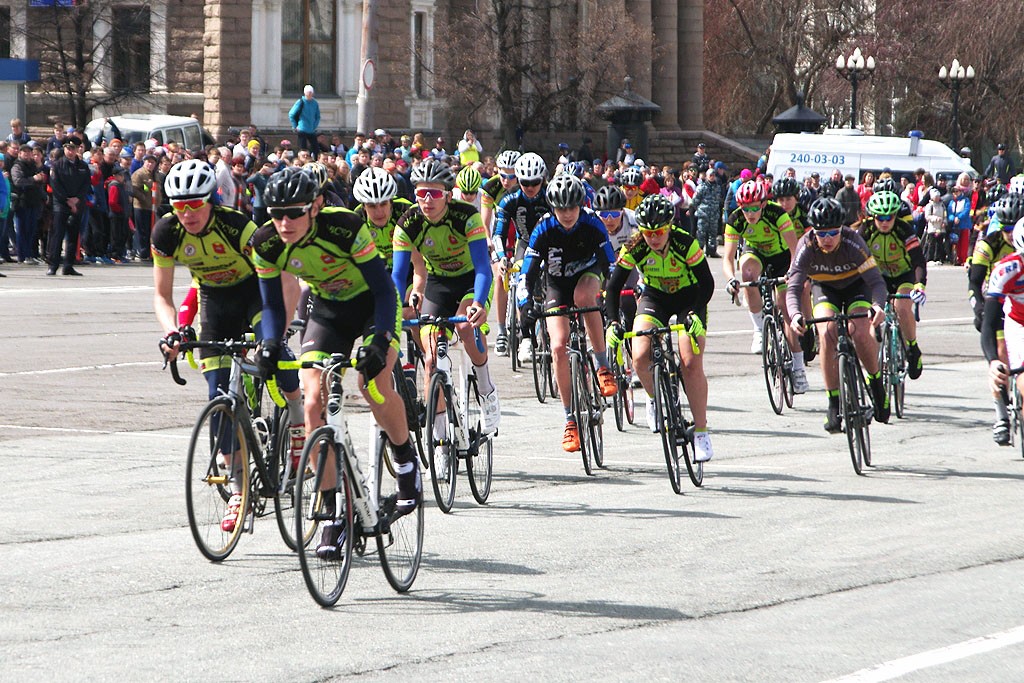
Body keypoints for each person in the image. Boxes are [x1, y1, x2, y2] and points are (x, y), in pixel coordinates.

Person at [251, 167, 419, 557]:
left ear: (316, 206)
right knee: (312, 402)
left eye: (294, 213)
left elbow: (382, 289)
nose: (284, 222)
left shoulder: (344, 226)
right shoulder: (266, 242)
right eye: (276, 213)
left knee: (372, 384)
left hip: (372, 305)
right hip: (327, 311)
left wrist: (379, 340)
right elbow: (273, 304)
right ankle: (331, 512)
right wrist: (271, 343)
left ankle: (405, 458)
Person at [153, 160, 304, 534]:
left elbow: (283, 281)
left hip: (256, 295)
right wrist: (173, 331)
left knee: (278, 357)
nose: (186, 213)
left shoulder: (238, 227)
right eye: (178, 206)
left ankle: (299, 424)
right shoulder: (166, 233)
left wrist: (276, 333)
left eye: (194, 205)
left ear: (212, 200)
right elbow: (161, 295)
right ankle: (239, 492)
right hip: (215, 303)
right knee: (217, 396)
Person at [391, 158, 501, 437]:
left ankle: (486, 389)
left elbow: (482, 267)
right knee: (430, 360)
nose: (427, 200)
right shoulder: (408, 223)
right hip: (438, 282)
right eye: (420, 193)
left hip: (470, 280)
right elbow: (398, 275)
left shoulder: (466, 216)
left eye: (435, 193)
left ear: (448, 196)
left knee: (464, 326)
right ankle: (439, 436)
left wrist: (477, 303)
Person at [604, 194, 715, 461]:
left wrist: (692, 314)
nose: (654, 238)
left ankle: (701, 431)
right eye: (648, 232)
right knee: (639, 354)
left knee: (690, 363)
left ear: (669, 227)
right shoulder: (634, 246)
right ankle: (654, 397)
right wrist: (613, 322)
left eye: (659, 232)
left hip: (690, 298)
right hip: (655, 298)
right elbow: (613, 287)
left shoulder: (684, 242)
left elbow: (707, 283)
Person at [516, 173, 616, 452]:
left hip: (587, 274)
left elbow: (610, 264)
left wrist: (611, 295)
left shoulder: (592, 223)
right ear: (552, 208)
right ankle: (570, 419)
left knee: (584, 297)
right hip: (557, 283)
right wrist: (525, 302)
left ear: (580, 205)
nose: (567, 214)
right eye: (561, 209)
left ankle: (602, 365)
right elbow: (527, 272)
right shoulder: (543, 228)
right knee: (559, 346)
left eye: (572, 207)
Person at [787, 197, 889, 432]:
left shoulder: (854, 243)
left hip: (857, 288)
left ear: (841, 229)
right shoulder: (806, 246)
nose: (828, 239)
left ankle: (876, 384)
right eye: (822, 234)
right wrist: (794, 315)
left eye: (833, 233)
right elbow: (793, 287)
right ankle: (834, 402)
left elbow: (876, 282)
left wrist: (878, 306)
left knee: (860, 332)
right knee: (827, 334)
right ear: (814, 231)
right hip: (826, 290)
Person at [722, 180, 804, 396]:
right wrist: (731, 279)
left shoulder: (777, 214)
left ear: (763, 204)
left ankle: (798, 366)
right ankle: (759, 329)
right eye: (745, 208)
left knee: (786, 310)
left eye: (754, 208)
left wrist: (792, 274)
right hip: (755, 253)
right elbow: (728, 257)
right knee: (748, 275)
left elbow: (795, 250)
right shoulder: (735, 219)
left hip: (782, 257)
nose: (749, 213)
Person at [970, 195, 1024, 444]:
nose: (1010, 235)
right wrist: (979, 309)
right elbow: (974, 282)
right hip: (1009, 311)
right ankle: (1002, 415)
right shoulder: (996, 254)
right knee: (1003, 355)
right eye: (1007, 229)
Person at [860, 191, 927, 378]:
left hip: (903, 275)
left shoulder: (904, 230)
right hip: (877, 278)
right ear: (873, 216)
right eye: (880, 217)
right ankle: (873, 365)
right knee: (870, 316)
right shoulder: (865, 231)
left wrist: (919, 285)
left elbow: (918, 261)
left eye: (889, 217)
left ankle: (912, 348)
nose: (884, 222)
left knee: (902, 308)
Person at [491, 152, 550, 358]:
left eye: (535, 182)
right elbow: (498, 233)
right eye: (525, 182)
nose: (530, 187)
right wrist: (500, 258)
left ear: (542, 179)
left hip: (550, 245)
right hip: (525, 243)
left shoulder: (550, 195)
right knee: (519, 280)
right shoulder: (509, 200)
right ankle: (525, 337)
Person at [48, 136, 91, 276]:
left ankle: (68, 265)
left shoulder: (83, 166)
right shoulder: (57, 165)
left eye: (73, 149)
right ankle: (53, 265)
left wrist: (76, 200)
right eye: (67, 148)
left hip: (77, 204)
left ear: (78, 149)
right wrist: (68, 200)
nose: (70, 151)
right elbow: (56, 185)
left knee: (73, 236)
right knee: (57, 235)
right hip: (61, 204)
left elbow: (85, 185)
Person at [131, 154, 158, 262]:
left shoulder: (155, 175)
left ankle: (149, 252)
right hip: (141, 206)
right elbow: (134, 189)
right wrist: (143, 198)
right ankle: (142, 252)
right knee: (142, 230)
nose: (150, 164)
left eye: (152, 162)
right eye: (148, 162)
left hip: (152, 207)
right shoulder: (139, 174)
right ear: (144, 162)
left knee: (150, 230)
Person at [288, 85, 321, 159]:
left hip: (311, 130)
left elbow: (317, 116)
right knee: (302, 148)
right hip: (302, 129)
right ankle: (301, 161)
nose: (309, 94)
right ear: (305, 93)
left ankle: (316, 161)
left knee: (316, 149)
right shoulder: (301, 102)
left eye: (311, 92)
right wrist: (295, 126)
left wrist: (314, 126)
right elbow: (291, 114)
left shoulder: (315, 103)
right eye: (308, 92)